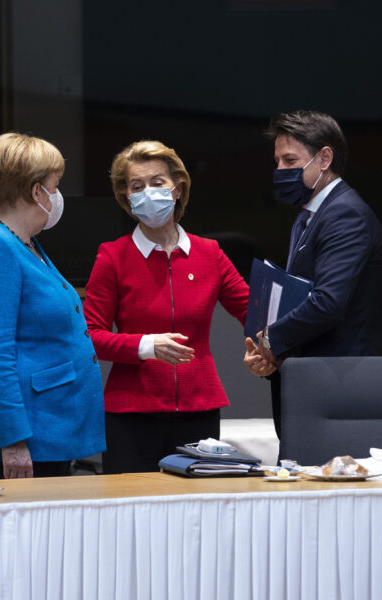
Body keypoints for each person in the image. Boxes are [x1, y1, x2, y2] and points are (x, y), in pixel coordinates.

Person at [83, 140, 249, 474]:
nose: (148, 192)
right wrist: (146, 345)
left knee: (195, 517)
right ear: (127, 199)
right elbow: (89, 335)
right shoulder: (113, 256)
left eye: (157, 183)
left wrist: (267, 346)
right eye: (136, 186)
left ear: (177, 188)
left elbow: (253, 311)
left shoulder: (209, 253)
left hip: (198, 408)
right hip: (131, 414)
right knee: (132, 517)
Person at [0, 133, 105, 478]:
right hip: (23, 442)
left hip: (49, 429)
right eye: (56, 184)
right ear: (37, 191)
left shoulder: (23, 242)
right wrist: (13, 441)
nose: (58, 194)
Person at [244, 110, 382, 436]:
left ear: (324, 158)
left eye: (289, 160)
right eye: (277, 162)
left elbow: (327, 302)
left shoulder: (345, 214)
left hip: (344, 389)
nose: (280, 171)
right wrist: (274, 357)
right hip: (316, 382)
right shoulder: (309, 215)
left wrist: (270, 341)